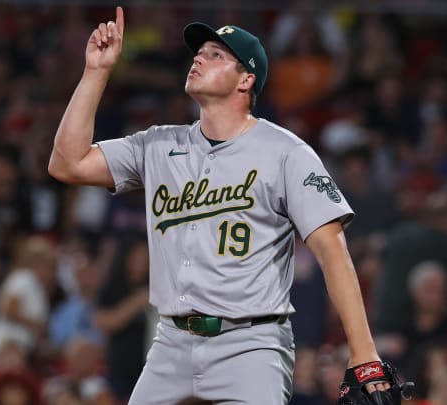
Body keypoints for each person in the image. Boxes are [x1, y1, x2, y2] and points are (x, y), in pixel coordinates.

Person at [48, 7, 398, 404]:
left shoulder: (286, 152)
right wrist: (96, 73)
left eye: (216, 54)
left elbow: (332, 250)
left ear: (246, 79)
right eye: (200, 52)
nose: (198, 57)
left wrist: (364, 353)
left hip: (251, 343)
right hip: (170, 343)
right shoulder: (158, 144)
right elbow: (67, 163)